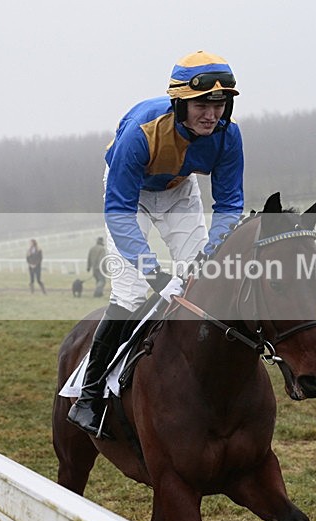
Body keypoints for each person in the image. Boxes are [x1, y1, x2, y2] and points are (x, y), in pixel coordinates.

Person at [67, 50, 244, 437]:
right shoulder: (140, 135)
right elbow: (118, 212)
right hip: (130, 199)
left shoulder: (228, 136)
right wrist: (152, 271)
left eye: (220, 104)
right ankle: (90, 397)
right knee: (131, 295)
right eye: (202, 104)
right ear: (180, 102)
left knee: (202, 280)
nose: (212, 115)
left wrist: (209, 252)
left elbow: (230, 204)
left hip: (180, 190)